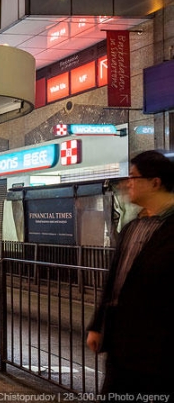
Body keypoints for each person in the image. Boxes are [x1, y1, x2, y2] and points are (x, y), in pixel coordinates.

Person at [86, 150, 174, 397]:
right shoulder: (131, 227)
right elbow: (115, 281)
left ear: (155, 182)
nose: (127, 183)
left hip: (160, 350)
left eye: (133, 177)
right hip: (121, 346)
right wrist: (98, 325)